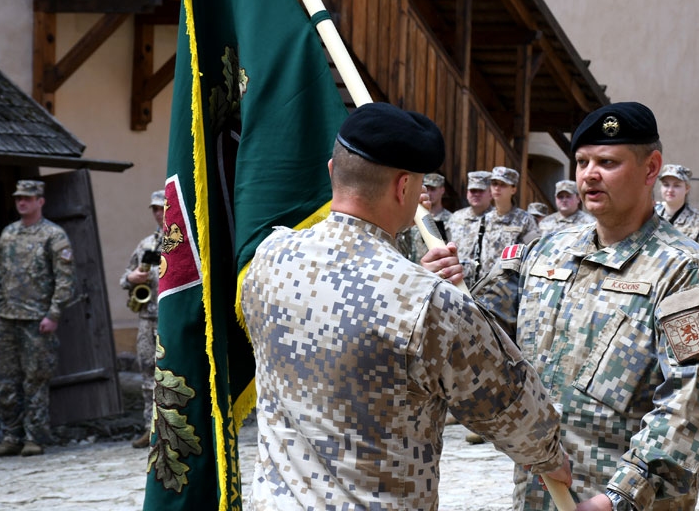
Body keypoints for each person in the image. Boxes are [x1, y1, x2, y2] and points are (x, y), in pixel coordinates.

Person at [239, 102, 571, 510]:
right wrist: (551, 459)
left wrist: (413, 276)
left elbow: (343, 309)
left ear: (332, 171)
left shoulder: (269, 257)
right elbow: (515, 411)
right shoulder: (428, 303)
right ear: (403, 189)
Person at [424, 102, 699, 510]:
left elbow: (695, 400)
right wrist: (437, 288)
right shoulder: (543, 254)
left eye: (607, 162)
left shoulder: (683, 270)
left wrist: (620, 495)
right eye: (583, 161)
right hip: (539, 492)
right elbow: (475, 339)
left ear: (650, 168)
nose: (589, 174)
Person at [0, 180, 75, 457]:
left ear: (40, 201)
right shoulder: (8, 234)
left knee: (35, 380)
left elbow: (65, 279)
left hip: (37, 321)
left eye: (27, 198)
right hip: (8, 320)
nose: (22, 202)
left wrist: (54, 314)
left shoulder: (54, 235)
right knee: (5, 381)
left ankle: (34, 438)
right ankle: (11, 437)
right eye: (18, 198)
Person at [120, 189, 165, 449]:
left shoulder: (181, 241)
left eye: (162, 207)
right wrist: (132, 278)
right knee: (148, 373)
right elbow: (124, 277)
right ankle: (151, 429)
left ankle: (177, 427)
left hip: (172, 318)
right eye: (154, 209)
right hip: (148, 318)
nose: (158, 213)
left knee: (176, 372)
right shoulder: (146, 244)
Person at [481, 166, 539, 277]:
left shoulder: (525, 220)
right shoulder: (485, 219)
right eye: (494, 184)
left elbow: (533, 254)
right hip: (485, 283)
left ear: (513, 189)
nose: (497, 188)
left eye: (503, 185)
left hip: (511, 284)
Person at [654, 164, 699, 255]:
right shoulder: (650, 215)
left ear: (687, 188)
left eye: (676, 185)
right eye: (666, 185)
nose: (670, 190)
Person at [446, 170, 493, 287]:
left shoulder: (498, 219)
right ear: (467, 193)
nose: (476, 194)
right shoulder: (456, 217)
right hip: (458, 285)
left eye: (481, 191)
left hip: (488, 288)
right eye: (473, 190)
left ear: (490, 194)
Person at [396, 172, 451, 263]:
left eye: (433, 189)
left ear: (442, 190)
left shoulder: (452, 219)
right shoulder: (413, 216)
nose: (429, 193)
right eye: (427, 188)